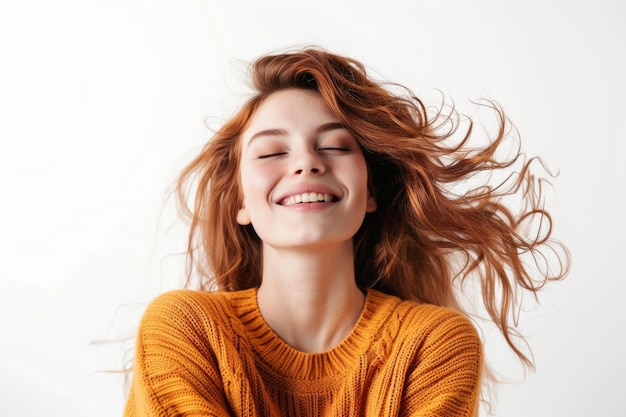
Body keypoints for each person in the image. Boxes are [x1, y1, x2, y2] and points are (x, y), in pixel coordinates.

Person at [122, 47, 569, 416]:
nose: (306, 163)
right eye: (270, 153)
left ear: (370, 190)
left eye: (334, 145)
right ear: (241, 201)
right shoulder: (185, 329)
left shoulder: (434, 344)